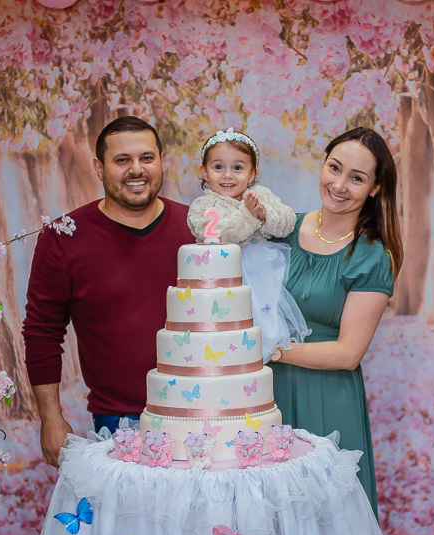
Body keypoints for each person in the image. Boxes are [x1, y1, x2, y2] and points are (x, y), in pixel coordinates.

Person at [22, 116, 194, 466]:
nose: (137, 170)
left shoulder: (197, 229)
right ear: (99, 168)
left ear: (162, 161)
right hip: (119, 422)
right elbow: (42, 332)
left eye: (147, 158)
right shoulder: (63, 238)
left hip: (204, 412)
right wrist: (50, 418)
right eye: (122, 160)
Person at [270, 127, 402, 515]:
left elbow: (348, 353)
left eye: (357, 178)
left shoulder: (372, 256)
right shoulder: (280, 232)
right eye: (334, 168)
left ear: (374, 189)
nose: (339, 185)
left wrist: (267, 350)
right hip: (266, 395)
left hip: (325, 397)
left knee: (325, 518)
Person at [186, 127, 309, 362]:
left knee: (261, 316)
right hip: (221, 274)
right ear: (204, 172)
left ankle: (263, 348)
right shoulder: (203, 205)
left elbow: (288, 222)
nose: (228, 175)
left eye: (238, 168)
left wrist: (264, 214)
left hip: (261, 270)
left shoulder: (259, 194)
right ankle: (225, 353)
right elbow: (215, 233)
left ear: (252, 174)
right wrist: (249, 216)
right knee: (223, 318)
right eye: (218, 167)